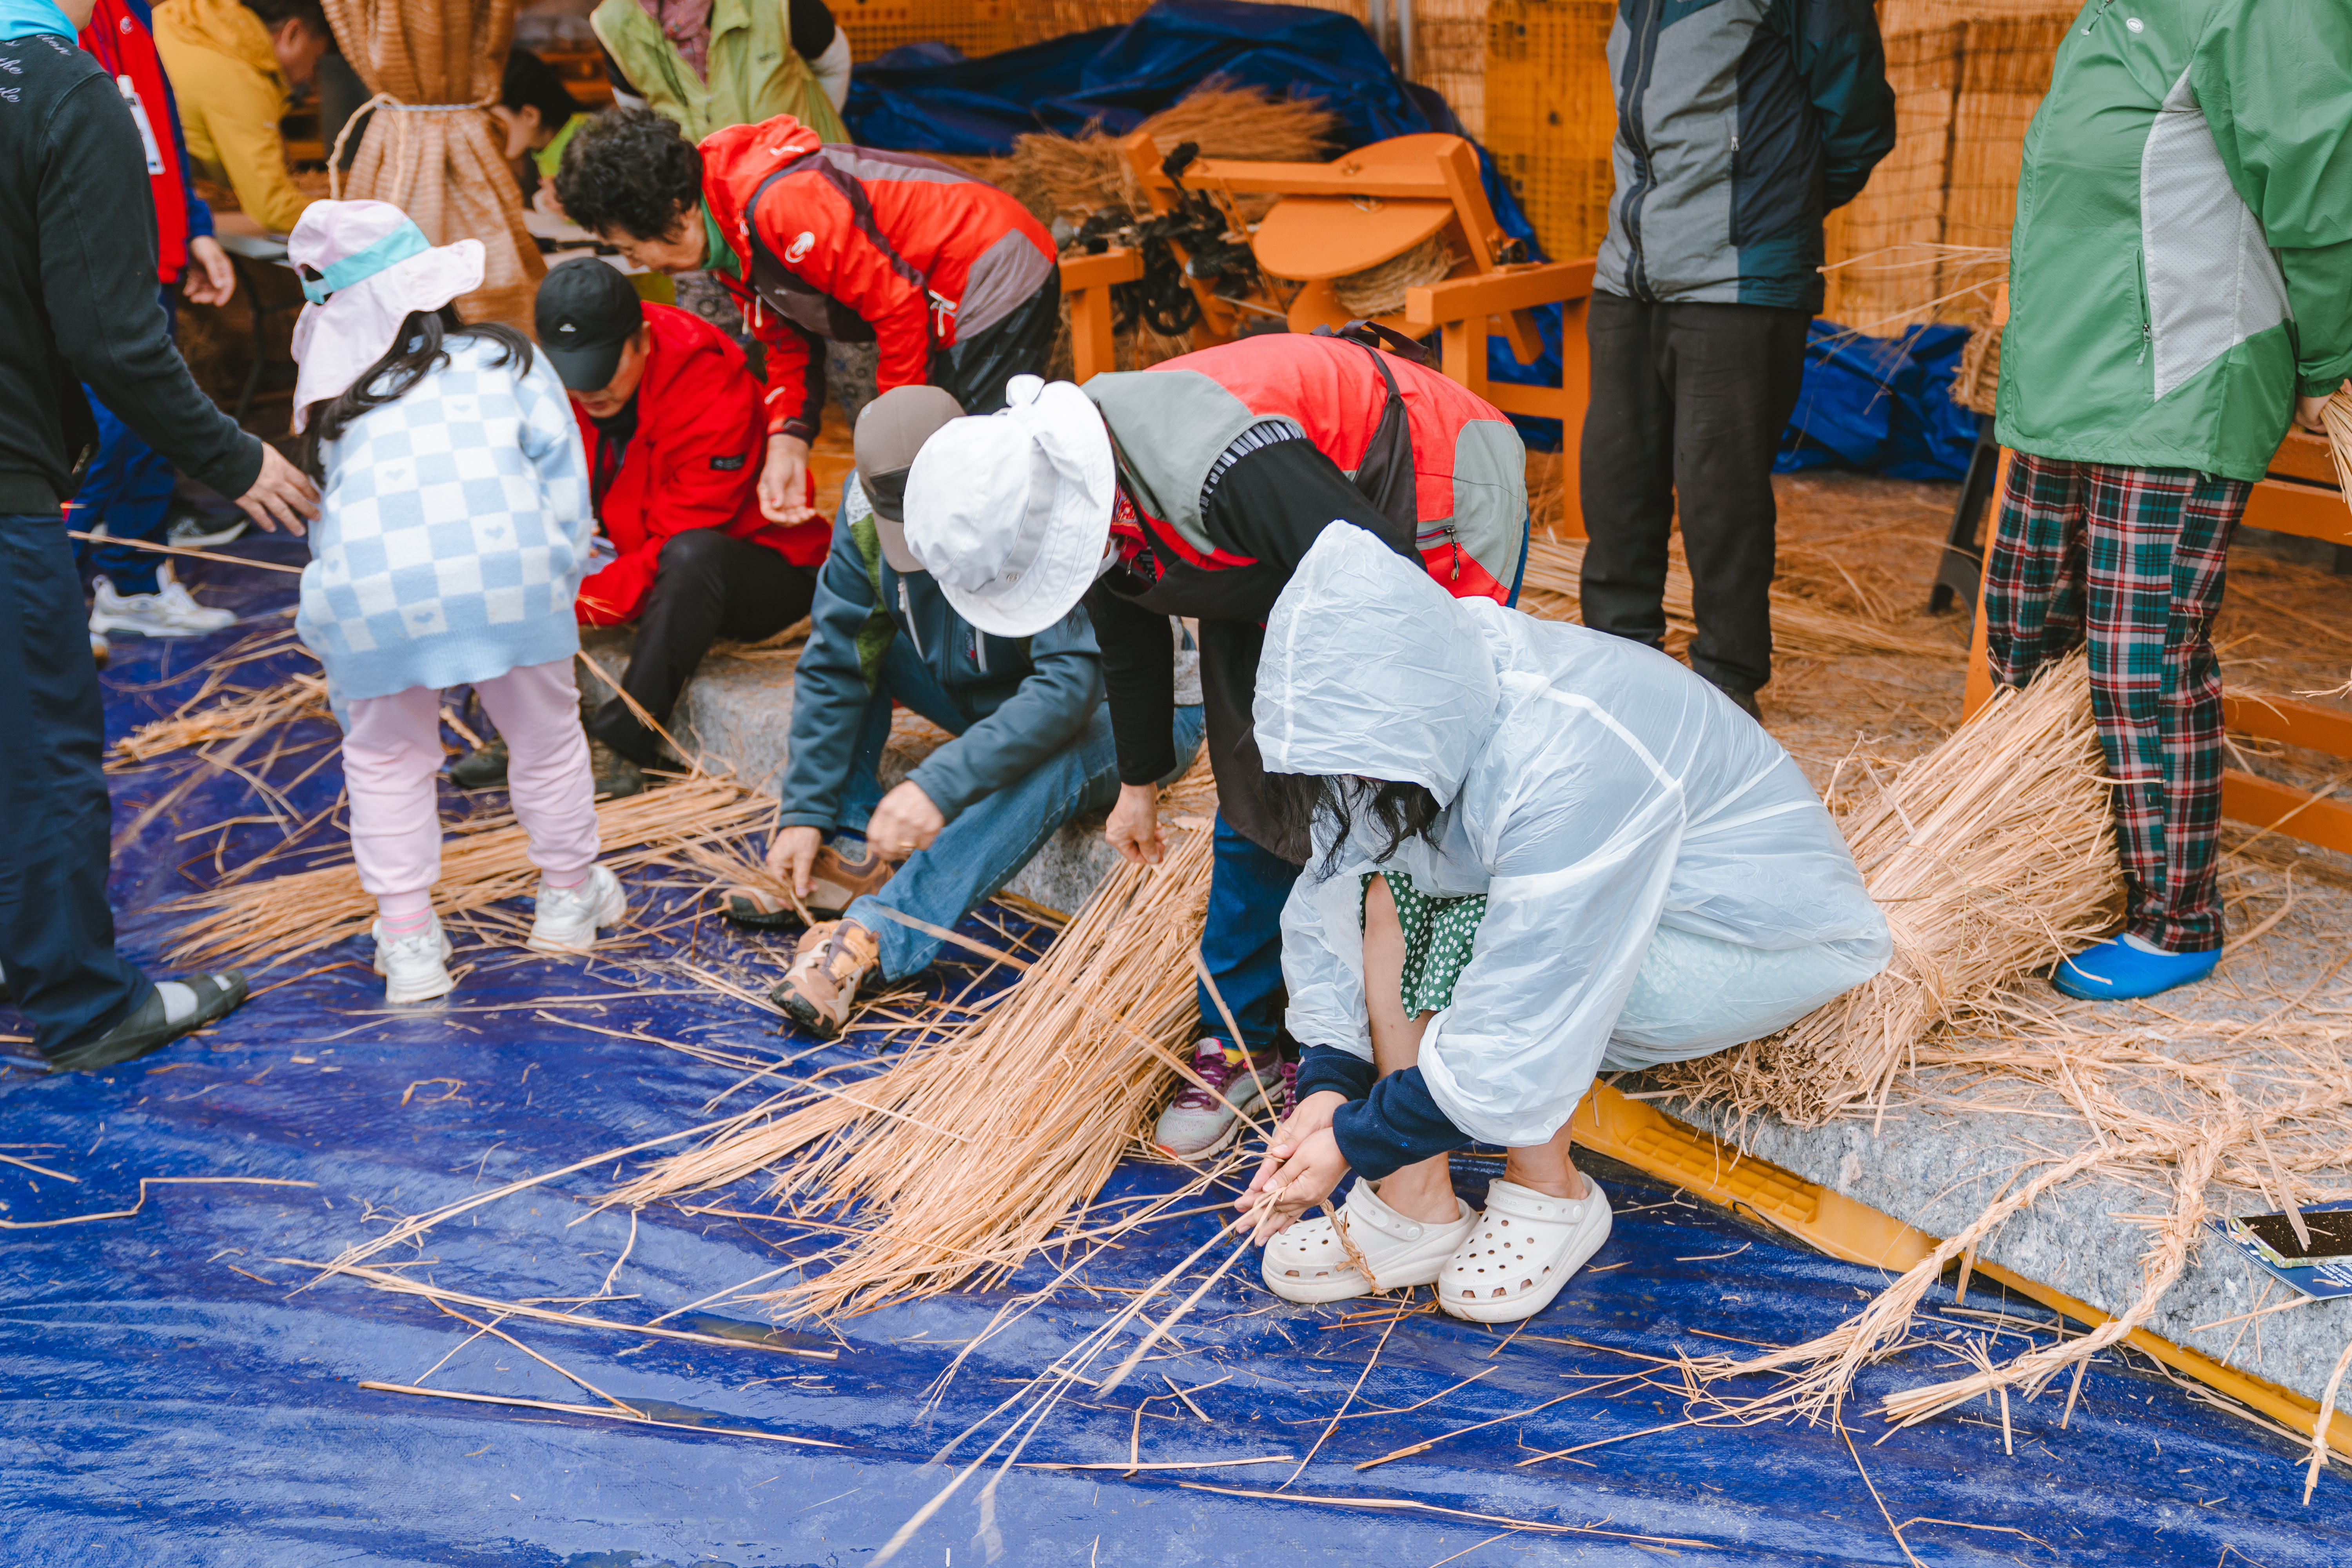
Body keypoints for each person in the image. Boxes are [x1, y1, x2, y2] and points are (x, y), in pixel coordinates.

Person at [897, 331, 1531, 1157]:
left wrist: (1365, 737)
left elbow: (1384, 592)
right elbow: (1130, 632)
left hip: (1419, 485)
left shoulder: (1223, 466)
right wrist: (1140, 782)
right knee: (1253, 778)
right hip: (1268, 545)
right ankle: (1240, 1040)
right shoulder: (1081, 490)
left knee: (1409, 771)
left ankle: (1405, 1048)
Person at [1234, 527, 1889, 1321]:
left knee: (1483, 922)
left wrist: (1354, 1139)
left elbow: (1532, 986)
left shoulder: (1563, 752)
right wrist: (1329, 1084)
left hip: (1749, 937)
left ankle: (1551, 1192)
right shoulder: (1418, 703)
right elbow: (1337, 896)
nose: (1356, 779)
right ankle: (1415, 1204)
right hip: (1610, 912)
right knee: (1390, 886)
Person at [1988, 1, 2352, 1002]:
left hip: (2177, 373)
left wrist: (2329, 353)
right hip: (2065, 375)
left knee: (2140, 657)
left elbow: (2319, 176)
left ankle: (2175, 916)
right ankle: (2058, 869)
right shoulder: (2108, 10)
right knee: (2025, 630)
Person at [2, 0, 316, 1073]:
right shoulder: (57, 87)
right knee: (40, 749)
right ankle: (84, 1004)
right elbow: (111, 335)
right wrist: (235, 457)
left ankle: (22, 945)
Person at [730, 383, 1207, 1040]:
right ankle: (847, 848)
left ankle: (879, 932)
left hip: (1127, 709)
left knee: (1055, 756)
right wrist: (804, 809)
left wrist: (938, 785)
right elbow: (837, 656)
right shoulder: (865, 509)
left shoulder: (1027, 494)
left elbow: (1069, 687)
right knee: (860, 646)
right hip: (987, 683)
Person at [288, 201, 619, 1004]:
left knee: (385, 758)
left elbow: (329, 531)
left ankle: (408, 941)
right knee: (545, 736)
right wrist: (558, 575)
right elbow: (565, 484)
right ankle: (568, 898)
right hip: (511, 573)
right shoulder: (506, 358)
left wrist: (330, 623)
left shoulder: (337, 406)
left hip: (372, 599)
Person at [1576, 0, 1895, 720]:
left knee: (1720, 495)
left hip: (1740, 281)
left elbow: (1860, 119)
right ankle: (1617, 668)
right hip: (1629, 273)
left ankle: (1727, 685)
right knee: (1615, 480)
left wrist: (1775, 209)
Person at [552, 107, 1061, 533]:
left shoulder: (781, 205)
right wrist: (788, 441)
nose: (640, 264)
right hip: (938, 293)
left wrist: (899, 430)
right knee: (936, 464)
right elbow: (786, 343)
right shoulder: (723, 230)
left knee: (966, 457)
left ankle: (1020, 578)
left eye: (632, 248)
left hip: (988, 266)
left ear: (676, 211)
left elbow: (896, 307)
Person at [450, 258, 826, 797]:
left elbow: (673, 541)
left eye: (603, 370)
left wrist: (572, 601)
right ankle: (530, 729)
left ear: (643, 341)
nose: (590, 391)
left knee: (692, 556)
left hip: (759, 573)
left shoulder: (709, 389)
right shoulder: (554, 385)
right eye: (573, 373)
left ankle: (625, 741)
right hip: (636, 548)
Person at [71, 0, 245, 649]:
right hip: (90, 259)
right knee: (99, 437)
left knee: (149, 432)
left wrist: (193, 227)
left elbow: (159, 124)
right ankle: (46, 608)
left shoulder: (135, 12)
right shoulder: (40, 18)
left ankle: (135, 586)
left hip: (152, 251)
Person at [152, 0, 331, 234]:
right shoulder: (240, 83)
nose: (312, 78)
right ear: (293, 34)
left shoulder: (181, 18)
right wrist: (356, 220)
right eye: (315, 61)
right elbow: (274, 208)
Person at [592, 0, 848, 146]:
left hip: (811, 184)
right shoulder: (614, 20)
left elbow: (833, 65)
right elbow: (640, 120)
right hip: (712, 204)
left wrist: (812, 142)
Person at [494, 45, 593, 212]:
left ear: (530, 115)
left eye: (496, 123)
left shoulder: (591, 145)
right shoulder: (544, 148)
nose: (487, 133)